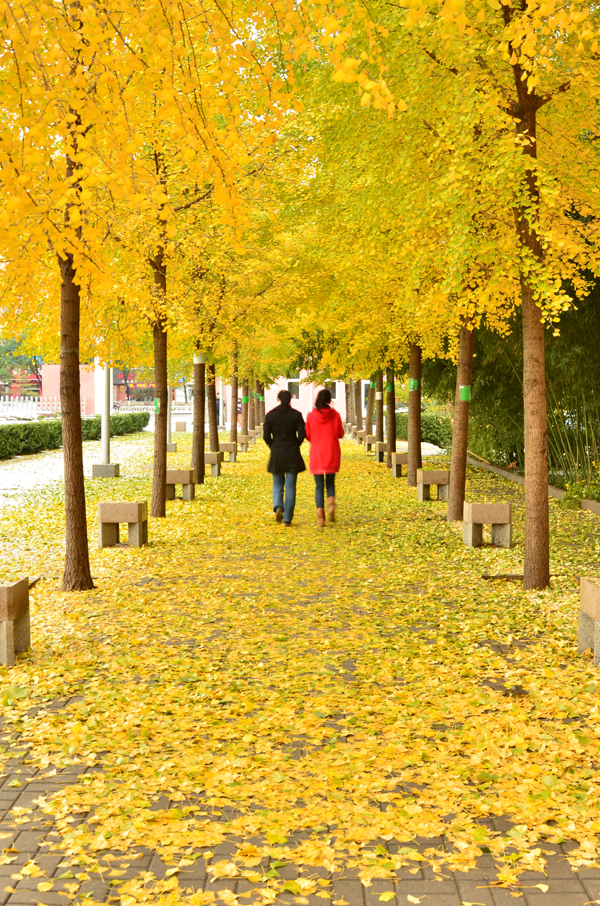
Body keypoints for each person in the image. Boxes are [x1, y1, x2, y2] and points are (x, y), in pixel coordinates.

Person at [263, 389, 306, 526]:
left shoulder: (270, 415)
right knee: (290, 487)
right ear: (290, 400)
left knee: (277, 484)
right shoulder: (297, 415)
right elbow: (302, 434)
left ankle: (278, 506)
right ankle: (287, 518)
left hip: (277, 452)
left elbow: (266, 436)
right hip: (292, 452)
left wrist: (272, 445)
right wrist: (296, 444)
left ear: (278, 399)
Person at [305, 388, 344, 527]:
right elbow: (340, 433)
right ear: (329, 400)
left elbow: (307, 435)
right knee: (330, 482)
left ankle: (320, 517)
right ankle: (331, 503)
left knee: (319, 485)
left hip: (317, 453)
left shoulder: (311, 416)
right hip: (332, 451)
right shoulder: (336, 415)